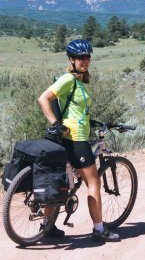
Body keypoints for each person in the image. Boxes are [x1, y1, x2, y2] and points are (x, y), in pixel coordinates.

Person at [38, 39, 120, 242]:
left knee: (61, 181)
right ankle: (99, 230)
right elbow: (43, 98)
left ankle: (46, 227)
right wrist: (56, 123)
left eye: (87, 56)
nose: (84, 60)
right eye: (80, 57)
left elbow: (75, 110)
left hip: (74, 135)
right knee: (94, 182)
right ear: (71, 60)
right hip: (75, 138)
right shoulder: (68, 79)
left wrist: (90, 121)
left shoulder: (81, 82)